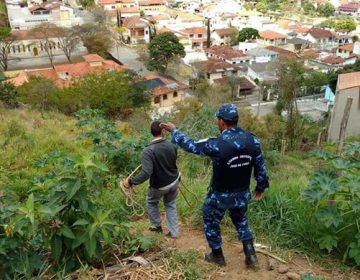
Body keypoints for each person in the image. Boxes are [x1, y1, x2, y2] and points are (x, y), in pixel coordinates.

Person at [160, 103, 269, 267]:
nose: (216, 122)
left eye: (217, 119)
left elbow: (192, 145)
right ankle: (251, 256)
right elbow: (260, 166)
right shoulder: (252, 140)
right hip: (242, 192)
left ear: (222, 122)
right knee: (241, 220)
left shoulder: (216, 144)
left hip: (220, 195)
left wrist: (174, 130)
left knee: (210, 221)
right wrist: (260, 187)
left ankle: (217, 256)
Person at [121, 120, 180, 238]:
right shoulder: (172, 144)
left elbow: (146, 173)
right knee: (170, 204)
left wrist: (130, 181)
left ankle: (156, 228)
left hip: (160, 186)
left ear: (151, 132)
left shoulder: (147, 151)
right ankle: (174, 233)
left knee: (151, 202)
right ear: (163, 131)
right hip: (174, 181)